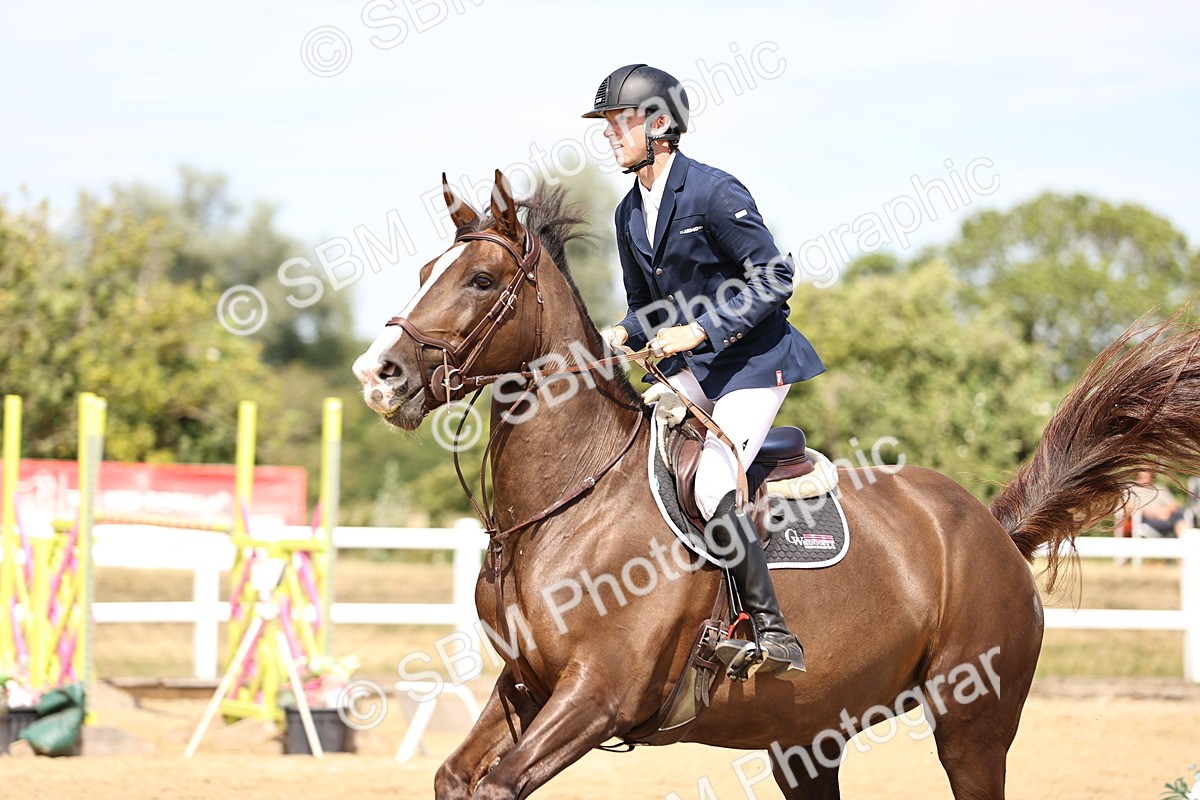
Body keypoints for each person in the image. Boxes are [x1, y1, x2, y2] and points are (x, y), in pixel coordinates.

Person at [583, 64, 825, 676]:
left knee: (715, 483)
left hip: (753, 362)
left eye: (620, 122)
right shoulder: (627, 214)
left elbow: (774, 277)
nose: (609, 134)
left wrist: (699, 330)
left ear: (659, 124)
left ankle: (773, 633)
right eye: (607, 124)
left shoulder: (715, 192)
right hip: (697, 368)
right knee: (634, 456)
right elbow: (646, 310)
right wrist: (614, 337)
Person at [1124, 470, 1186, 538]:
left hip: (1167, 517)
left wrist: (1165, 511)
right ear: (1137, 473)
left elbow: (1173, 504)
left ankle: (1185, 540)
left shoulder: (1160, 488)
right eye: (1144, 471)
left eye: (1149, 471)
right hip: (1147, 520)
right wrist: (1147, 511)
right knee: (1178, 520)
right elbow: (1127, 507)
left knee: (1179, 514)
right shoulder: (1131, 488)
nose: (1147, 474)